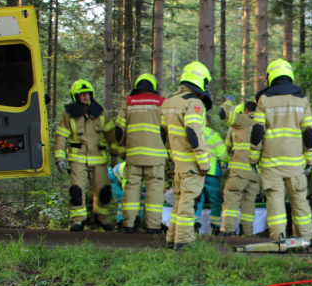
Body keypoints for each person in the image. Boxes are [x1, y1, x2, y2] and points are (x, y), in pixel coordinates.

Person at [250, 58, 312, 240]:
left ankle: (278, 240)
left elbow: (257, 131)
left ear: (271, 77)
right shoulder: (302, 100)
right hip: (295, 164)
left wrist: (253, 159)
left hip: (271, 164)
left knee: (275, 203)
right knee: (300, 202)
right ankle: (304, 240)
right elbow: (309, 132)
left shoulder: (264, 99)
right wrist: (310, 159)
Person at [53, 79, 119, 231]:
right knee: (76, 191)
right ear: (76, 97)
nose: (85, 97)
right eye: (82, 94)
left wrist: (114, 154)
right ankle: (78, 221)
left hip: (99, 160)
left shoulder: (101, 113)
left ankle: (102, 219)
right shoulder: (68, 115)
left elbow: (110, 135)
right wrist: (60, 158)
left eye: (88, 94)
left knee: (104, 192)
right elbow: (60, 137)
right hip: (78, 160)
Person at [161, 62, 211, 250]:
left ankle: (171, 238)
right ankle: (184, 241)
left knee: (179, 202)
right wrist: (204, 163)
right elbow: (194, 133)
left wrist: (172, 156)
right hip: (192, 164)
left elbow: (163, 134)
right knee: (188, 203)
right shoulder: (194, 103)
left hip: (178, 163)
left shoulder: (168, 102)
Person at [115, 73, 167, 234]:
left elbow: (119, 131)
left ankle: (129, 225)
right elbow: (167, 131)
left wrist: (123, 153)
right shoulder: (161, 103)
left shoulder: (128, 103)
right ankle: (153, 227)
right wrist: (168, 153)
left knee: (131, 189)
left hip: (133, 156)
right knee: (155, 192)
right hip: (156, 157)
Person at [218, 98, 260, 236]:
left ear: (246, 110)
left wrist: (229, 102)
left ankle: (228, 230)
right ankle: (247, 232)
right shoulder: (264, 123)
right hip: (255, 174)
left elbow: (227, 149)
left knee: (231, 199)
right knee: (249, 203)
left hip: (238, 171)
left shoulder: (241, 120)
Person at [194, 114, 228, 234]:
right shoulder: (214, 135)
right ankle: (215, 226)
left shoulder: (193, 133)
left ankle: (195, 223)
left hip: (196, 173)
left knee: (197, 199)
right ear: (208, 121)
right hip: (212, 173)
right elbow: (223, 155)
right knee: (216, 201)